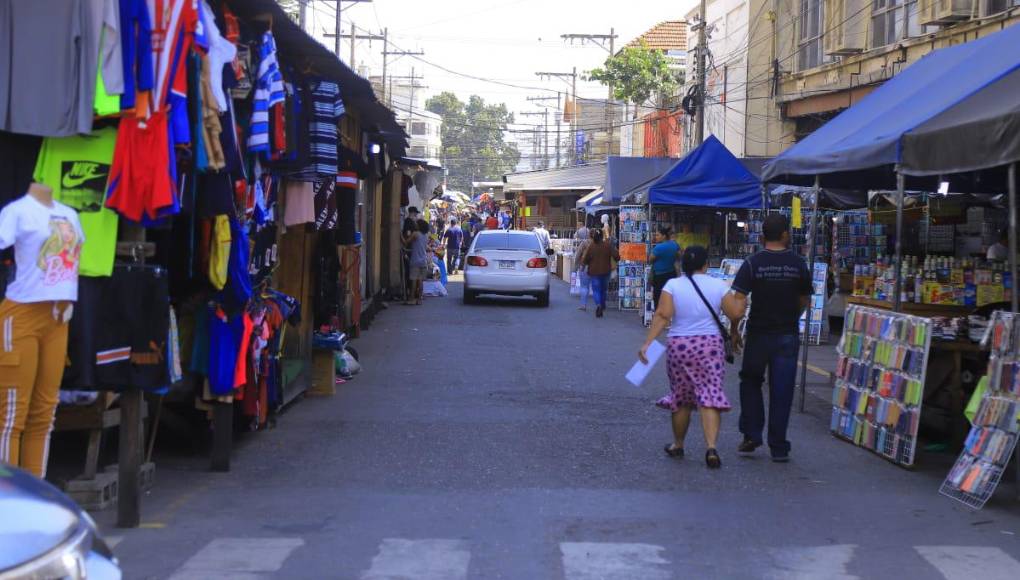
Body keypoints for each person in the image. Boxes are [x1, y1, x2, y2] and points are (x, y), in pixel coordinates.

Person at [723, 214, 812, 463]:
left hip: (758, 334)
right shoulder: (798, 263)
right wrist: (792, 315)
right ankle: (779, 446)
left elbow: (738, 302)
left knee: (750, 381)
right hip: (787, 334)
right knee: (782, 390)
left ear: (762, 236)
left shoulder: (753, 263)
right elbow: (804, 300)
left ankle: (752, 434)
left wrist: (734, 329)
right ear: (785, 235)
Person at [640, 246, 736, 469]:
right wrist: (736, 328)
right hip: (710, 345)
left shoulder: (673, 285)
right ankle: (711, 447)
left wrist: (647, 343)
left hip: (680, 345)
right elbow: (734, 313)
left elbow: (663, 315)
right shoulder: (718, 285)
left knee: (681, 397)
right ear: (705, 265)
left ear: (682, 265)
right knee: (710, 393)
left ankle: (678, 444)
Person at [583, 229, 619, 318]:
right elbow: (616, 256)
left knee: (596, 290)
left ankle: (598, 304)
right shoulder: (608, 245)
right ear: (602, 236)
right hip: (606, 271)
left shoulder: (591, 246)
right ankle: (602, 305)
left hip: (594, 271)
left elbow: (585, 259)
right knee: (603, 289)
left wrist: (588, 263)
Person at [649, 226, 680, 308]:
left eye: (658, 235)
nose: (656, 237)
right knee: (670, 296)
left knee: (658, 298)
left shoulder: (658, 247)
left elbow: (650, 260)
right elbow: (679, 256)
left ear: (664, 236)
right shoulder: (675, 245)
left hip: (659, 276)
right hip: (672, 274)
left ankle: (659, 315)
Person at [406, 219, 431, 305]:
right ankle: (419, 299)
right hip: (423, 260)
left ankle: (412, 299)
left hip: (415, 260)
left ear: (419, 225)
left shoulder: (415, 234)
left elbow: (407, 242)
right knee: (420, 281)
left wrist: (400, 237)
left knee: (413, 280)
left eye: (416, 223)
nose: (415, 225)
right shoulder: (426, 236)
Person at [574, 227, 593, 311]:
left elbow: (578, 255)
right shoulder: (599, 243)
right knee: (596, 287)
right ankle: (599, 305)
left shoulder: (584, 243)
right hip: (596, 267)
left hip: (585, 266)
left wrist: (576, 266)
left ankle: (583, 305)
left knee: (584, 287)